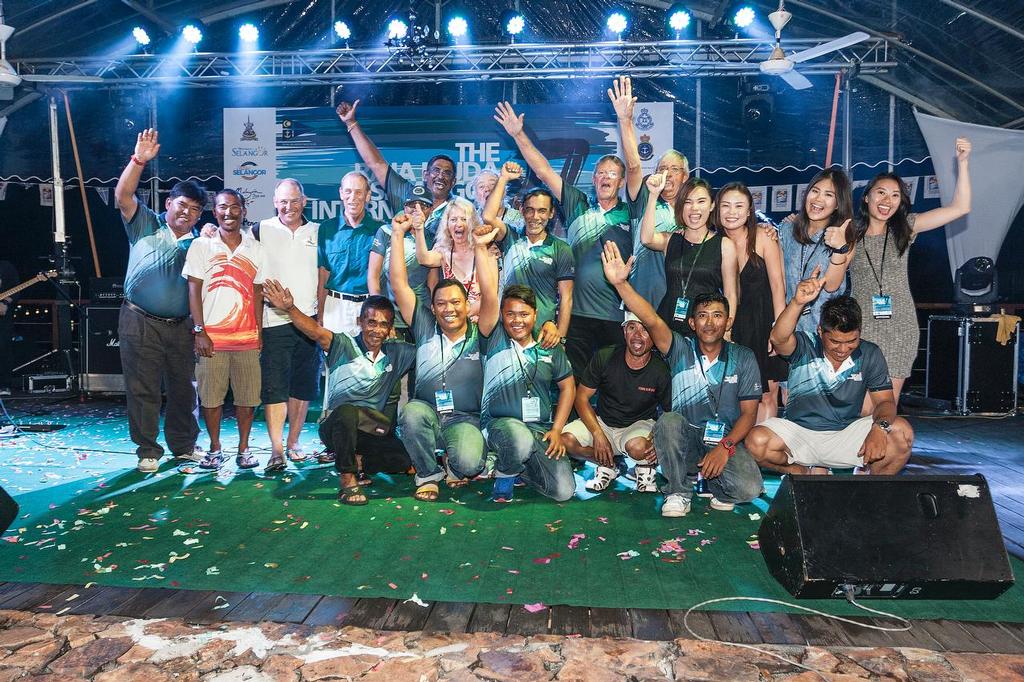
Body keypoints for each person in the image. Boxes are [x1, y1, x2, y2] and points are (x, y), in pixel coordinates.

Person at [602, 241, 764, 518]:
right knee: (668, 420)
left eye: (717, 316)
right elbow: (651, 320)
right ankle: (678, 491)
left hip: (722, 439)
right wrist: (621, 285)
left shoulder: (744, 357)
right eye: (702, 316)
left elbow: (749, 415)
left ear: (728, 321)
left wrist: (725, 447)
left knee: (750, 489)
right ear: (691, 323)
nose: (710, 323)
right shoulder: (679, 348)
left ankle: (717, 487)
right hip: (684, 438)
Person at [494, 100, 633, 374]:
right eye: (601, 173)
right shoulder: (577, 203)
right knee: (575, 381)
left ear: (621, 182)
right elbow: (544, 170)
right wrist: (517, 134)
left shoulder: (632, 212)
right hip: (579, 316)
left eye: (613, 174)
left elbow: (640, 175)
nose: (606, 178)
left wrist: (625, 120)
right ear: (593, 178)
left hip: (616, 315)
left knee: (613, 382)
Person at [263, 282, 415, 505]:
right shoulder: (342, 344)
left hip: (372, 429)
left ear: (391, 328)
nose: (377, 329)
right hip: (335, 428)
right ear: (360, 322)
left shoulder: (397, 353)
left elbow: (431, 349)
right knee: (346, 412)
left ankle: (360, 461)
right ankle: (347, 478)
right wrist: (290, 308)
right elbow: (314, 331)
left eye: (384, 324)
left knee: (402, 462)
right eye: (371, 322)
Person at [746, 278, 914, 476]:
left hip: (845, 434)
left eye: (851, 341)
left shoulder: (870, 353)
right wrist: (797, 303)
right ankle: (799, 473)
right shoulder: (805, 345)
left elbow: (885, 402)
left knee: (901, 431)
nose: (843, 349)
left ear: (860, 333)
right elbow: (778, 338)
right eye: (835, 341)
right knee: (756, 441)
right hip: (800, 434)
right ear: (820, 331)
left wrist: (879, 428)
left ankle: (870, 490)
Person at [851, 138, 972, 409]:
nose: (887, 200)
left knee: (886, 406)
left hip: (900, 326)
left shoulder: (906, 228)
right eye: (881, 193)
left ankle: (881, 450)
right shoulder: (850, 233)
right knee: (859, 406)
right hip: (860, 327)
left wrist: (962, 164)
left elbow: (960, 208)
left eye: (895, 195)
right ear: (867, 196)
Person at [389, 213, 500, 502]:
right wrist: (399, 235)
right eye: (441, 304)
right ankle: (428, 475)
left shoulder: (482, 331)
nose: (448, 309)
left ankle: (453, 461)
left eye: (455, 302)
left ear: (467, 305)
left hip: (465, 419)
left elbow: (490, 296)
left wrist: (480, 249)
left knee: (470, 465)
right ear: (433, 309)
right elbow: (399, 284)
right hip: (427, 412)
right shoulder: (424, 325)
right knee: (410, 413)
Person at [113, 128, 204, 473]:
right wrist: (139, 160)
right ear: (169, 204)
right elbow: (123, 194)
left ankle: (183, 446)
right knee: (143, 388)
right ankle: (148, 450)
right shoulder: (144, 224)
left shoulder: (200, 243)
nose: (187, 213)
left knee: (184, 389)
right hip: (139, 321)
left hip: (181, 326)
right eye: (182, 205)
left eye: (195, 210)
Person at [181, 189, 265, 471]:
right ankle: (215, 449)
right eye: (222, 207)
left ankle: (244, 449)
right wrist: (199, 330)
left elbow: (257, 294)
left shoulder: (256, 249)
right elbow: (193, 289)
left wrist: (259, 333)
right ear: (214, 212)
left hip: (246, 339)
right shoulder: (201, 246)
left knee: (247, 398)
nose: (228, 212)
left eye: (234, 207)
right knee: (211, 398)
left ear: (243, 209)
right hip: (211, 340)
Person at [482, 282, 577, 503]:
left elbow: (568, 387)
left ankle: (520, 469)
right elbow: (488, 291)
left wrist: (557, 429)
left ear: (535, 315)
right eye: (510, 314)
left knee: (564, 491)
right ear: (502, 316)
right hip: (499, 425)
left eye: (524, 314)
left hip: (539, 429)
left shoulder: (549, 347)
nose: (517, 320)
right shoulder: (494, 339)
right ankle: (505, 474)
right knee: (519, 440)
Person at [562, 312, 671, 494]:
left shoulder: (660, 369)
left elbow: (671, 412)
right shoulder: (606, 356)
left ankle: (645, 467)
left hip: (638, 426)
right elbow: (581, 398)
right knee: (565, 440)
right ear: (624, 332)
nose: (637, 335)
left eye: (645, 330)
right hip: (604, 422)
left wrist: (657, 441)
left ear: (654, 335)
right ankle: (609, 465)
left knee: (639, 448)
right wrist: (597, 434)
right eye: (631, 328)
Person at [609, 75, 689, 312]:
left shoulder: (695, 209)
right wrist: (625, 120)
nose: (667, 175)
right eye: (662, 169)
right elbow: (633, 166)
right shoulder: (645, 198)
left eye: (674, 169)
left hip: (680, 303)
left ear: (685, 176)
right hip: (641, 298)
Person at [256, 179, 321, 466]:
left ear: (304, 202)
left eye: (294, 201)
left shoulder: (317, 231)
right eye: (283, 201)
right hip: (273, 320)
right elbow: (227, 236)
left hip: (308, 321)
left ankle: (294, 441)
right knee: (275, 387)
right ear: (274, 201)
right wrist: (208, 231)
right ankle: (276, 449)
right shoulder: (260, 230)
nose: (289, 207)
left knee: (302, 387)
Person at [716, 183, 788, 420]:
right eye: (725, 206)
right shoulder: (713, 241)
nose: (731, 211)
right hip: (730, 325)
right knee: (735, 392)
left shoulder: (764, 238)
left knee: (767, 393)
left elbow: (779, 286)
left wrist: (779, 330)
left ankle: (763, 450)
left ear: (749, 211)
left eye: (739, 206)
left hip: (763, 323)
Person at [483, 161, 574, 345]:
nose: (535, 217)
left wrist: (561, 339)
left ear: (551, 214)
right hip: (507, 330)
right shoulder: (511, 237)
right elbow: (488, 216)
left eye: (542, 211)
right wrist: (504, 179)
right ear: (522, 211)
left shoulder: (560, 248)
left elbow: (567, 297)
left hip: (542, 334)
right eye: (530, 210)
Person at [337, 99, 456, 236]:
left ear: (453, 181)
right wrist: (351, 123)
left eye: (447, 173)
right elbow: (376, 164)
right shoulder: (406, 194)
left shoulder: (460, 209)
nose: (441, 176)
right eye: (436, 170)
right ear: (425, 175)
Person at [641, 174, 738, 337]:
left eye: (701, 201)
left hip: (706, 330)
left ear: (712, 205)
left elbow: (730, 293)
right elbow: (646, 238)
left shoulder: (724, 245)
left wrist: (727, 329)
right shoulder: (671, 239)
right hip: (667, 326)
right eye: (688, 202)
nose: (694, 209)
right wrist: (653, 195)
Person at [777, 168, 855, 334]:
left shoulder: (845, 237)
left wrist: (840, 248)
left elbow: (832, 286)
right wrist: (778, 324)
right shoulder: (786, 229)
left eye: (829, 195)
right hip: (790, 327)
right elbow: (780, 282)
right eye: (815, 191)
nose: (818, 199)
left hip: (825, 330)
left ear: (838, 204)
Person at [317, 171, 381, 336]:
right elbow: (323, 275)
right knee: (334, 360)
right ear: (341, 193)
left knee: (368, 360)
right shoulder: (326, 229)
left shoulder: (380, 230)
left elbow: (385, 277)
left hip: (369, 306)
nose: (353, 197)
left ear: (368, 196)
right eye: (348, 191)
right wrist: (321, 313)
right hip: (335, 309)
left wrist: (379, 311)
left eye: (359, 192)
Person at [412, 196, 493, 322]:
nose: (458, 224)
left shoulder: (486, 251)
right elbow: (424, 259)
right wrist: (419, 229)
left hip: (481, 323)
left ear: (472, 223)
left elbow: (491, 294)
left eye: (464, 219)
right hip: (452, 322)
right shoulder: (443, 251)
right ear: (447, 225)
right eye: (453, 219)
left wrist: (465, 315)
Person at [468, 170, 524, 235]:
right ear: (475, 195)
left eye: (493, 185)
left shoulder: (519, 218)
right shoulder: (471, 221)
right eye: (481, 186)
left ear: (504, 191)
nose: (487, 189)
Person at [0, 260, 20, 396]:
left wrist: (5, 302)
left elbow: (16, 288)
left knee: (3, 348)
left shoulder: (6, 267)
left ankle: (4, 385)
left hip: (3, 317)